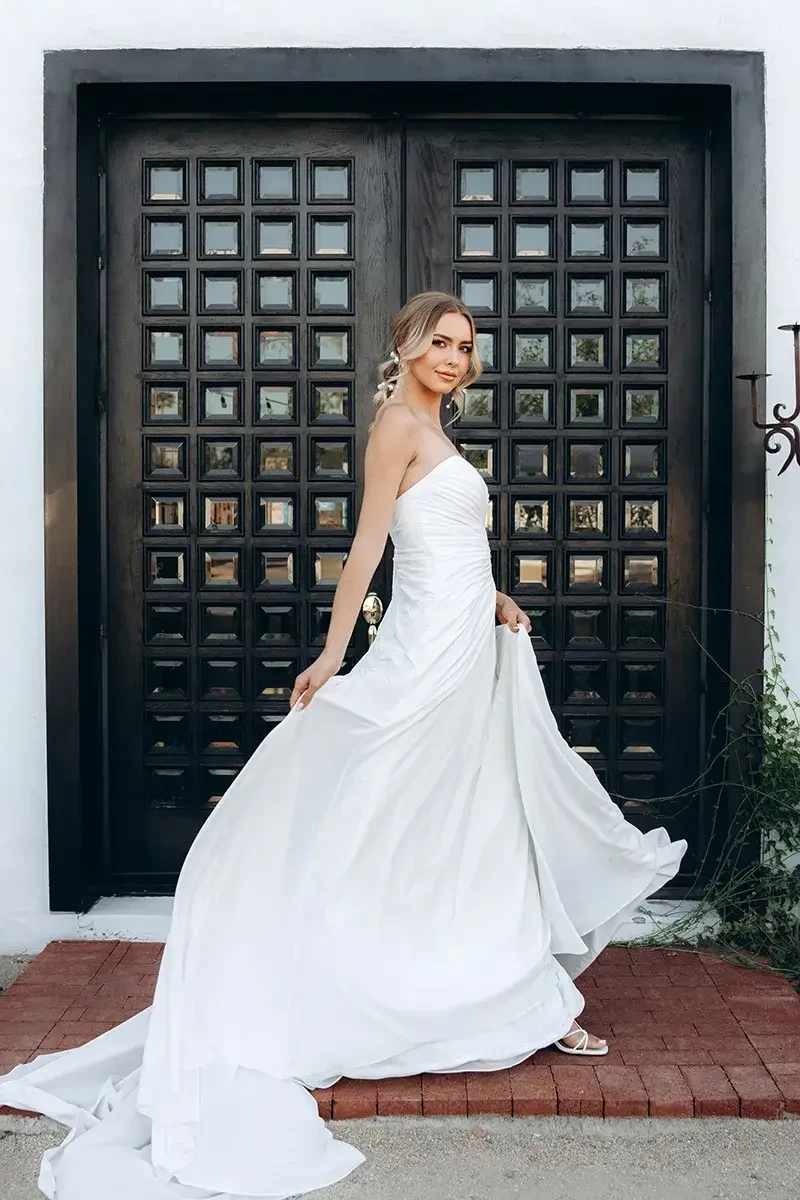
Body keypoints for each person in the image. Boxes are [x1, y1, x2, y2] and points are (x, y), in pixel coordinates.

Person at [0, 292, 686, 1200]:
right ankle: (369, 970)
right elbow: (368, 549)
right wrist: (333, 652)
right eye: (440, 343)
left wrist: (496, 602)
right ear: (405, 346)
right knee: (396, 806)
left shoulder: (436, 430)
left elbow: (448, 551)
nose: (454, 357)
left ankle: (511, 985)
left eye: (465, 347)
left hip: (465, 643)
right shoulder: (397, 425)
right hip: (420, 656)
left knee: (480, 813)